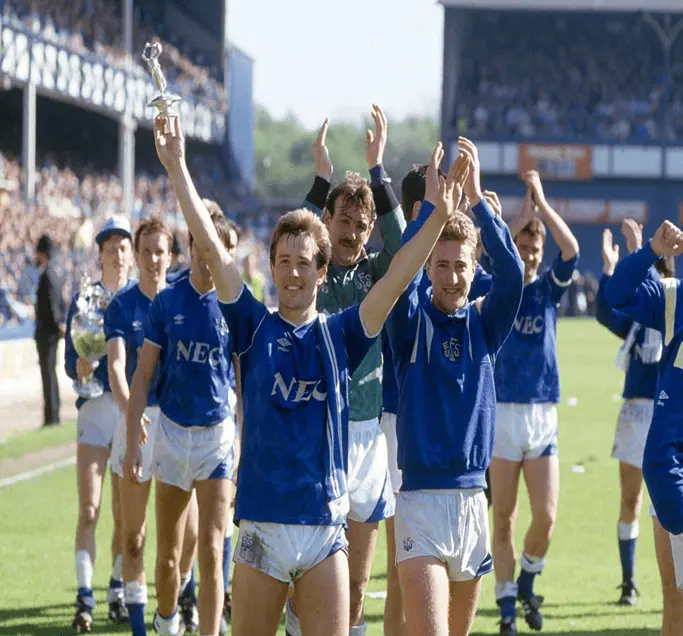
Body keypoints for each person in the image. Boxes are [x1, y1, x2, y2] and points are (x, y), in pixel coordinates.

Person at [155, 108, 468, 636]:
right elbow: (209, 245)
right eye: (284, 261)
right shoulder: (252, 324)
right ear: (271, 267)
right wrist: (177, 166)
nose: (294, 272)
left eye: (305, 262)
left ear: (322, 272)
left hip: (324, 531)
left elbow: (397, 276)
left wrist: (437, 217)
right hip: (261, 528)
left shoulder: (343, 332)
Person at [387, 138, 524, 636]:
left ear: (474, 268)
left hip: (472, 503)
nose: (451, 276)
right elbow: (399, 277)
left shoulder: (485, 325)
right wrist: (430, 211)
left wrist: (480, 202)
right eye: (440, 265)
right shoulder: (410, 323)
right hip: (421, 502)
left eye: (460, 265)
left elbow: (514, 275)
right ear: (428, 267)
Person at [286, 107, 405, 636]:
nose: (353, 233)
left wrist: (379, 172)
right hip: (317, 434)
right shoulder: (310, 273)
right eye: (343, 222)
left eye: (361, 225)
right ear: (328, 222)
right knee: (305, 579)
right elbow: (293, 239)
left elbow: (405, 249)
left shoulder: (378, 273)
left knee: (356, 584)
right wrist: (321, 179)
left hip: (366, 437)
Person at [126, 205, 238, 636]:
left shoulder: (235, 305)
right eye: (201, 246)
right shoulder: (167, 301)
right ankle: (167, 621)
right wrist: (134, 436)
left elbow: (244, 383)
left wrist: (246, 442)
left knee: (211, 550)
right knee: (168, 558)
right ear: (190, 247)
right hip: (172, 434)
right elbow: (142, 375)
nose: (208, 256)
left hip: (217, 439)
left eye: (215, 248)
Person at [490, 170, 579, 635]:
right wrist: (516, 220)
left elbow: (572, 250)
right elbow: (487, 248)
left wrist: (541, 208)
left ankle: (527, 579)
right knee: (503, 517)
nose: (528, 253)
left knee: (545, 514)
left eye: (534, 248)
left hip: (542, 411)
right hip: (503, 412)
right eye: (522, 245)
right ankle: (507, 606)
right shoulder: (499, 287)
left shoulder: (547, 288)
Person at [105, 216, 200, 636]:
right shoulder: (121, 306)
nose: (153, 259)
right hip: (138, 419)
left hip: (180, 425)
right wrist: (131, 410)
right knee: (134, 536)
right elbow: (116, 367)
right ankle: (140, 629)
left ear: (171, 255)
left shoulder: (183, 299)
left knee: (189, 538)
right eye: (146, 251)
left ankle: (173, 607)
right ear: (138, 254)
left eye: (160, 251)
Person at [603, 221, 683, 600]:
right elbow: (616, 295)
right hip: (652, 428)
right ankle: (628, 580)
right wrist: (648, 250)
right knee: (675, 611)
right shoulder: (675, 299)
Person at [64, 216, 135, 633]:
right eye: (111, 248)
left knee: (125, 516)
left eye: (124, 247)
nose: (118, 254)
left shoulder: (142, 298)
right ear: (100, 254)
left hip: (127, 414)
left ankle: (116, 590)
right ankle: (84, 596)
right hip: (93, 411)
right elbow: (68, 359)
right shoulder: (83, 300)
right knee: (89, 509)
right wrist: (78, 366)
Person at [34, 233, 66, 427]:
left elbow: (53, 306)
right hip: (50, 333)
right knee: (50, 374)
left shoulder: (47, 275)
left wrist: (56, 324)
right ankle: (52, 415)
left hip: (47, 334)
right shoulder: (53, 274)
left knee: (48, 375)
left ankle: (52, 416)